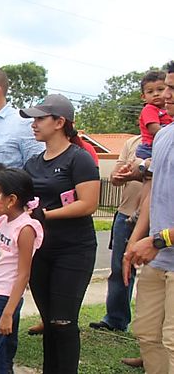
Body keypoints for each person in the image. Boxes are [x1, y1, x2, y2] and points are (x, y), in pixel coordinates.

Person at [20, 94, 100, 374]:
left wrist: (46, 215)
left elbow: (88, 204)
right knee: (49, 319)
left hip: (74, 249)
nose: (34, 124)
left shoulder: (79, 159)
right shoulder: (32, 162)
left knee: (63, 321)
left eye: (40, 118)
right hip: (41, 250)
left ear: (59, 122)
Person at [123, 60, 174, 373]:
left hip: (160, 247)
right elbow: (153, 191)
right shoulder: (164, 135)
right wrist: (134, 242)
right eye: (167, 86)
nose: (166, 95)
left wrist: (157, 240)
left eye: (173, 89)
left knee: (172, 341)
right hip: (156, 259)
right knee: (147, 334)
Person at [0, 169, 44, 374]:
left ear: (11, 199)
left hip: (6, 299)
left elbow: (23, 274)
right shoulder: (2, 222)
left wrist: (8, 312)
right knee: (0, 355)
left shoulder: (25, 229)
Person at [89, 135, 142, 333]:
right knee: (120, 268)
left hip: (160, 219)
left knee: (160, 274)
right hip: (125, 214)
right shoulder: (133, 143)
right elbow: (115, 178)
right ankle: (116, 319)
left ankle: (153, 330)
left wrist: (139, 172)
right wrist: (121, 175)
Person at [135, 69, 170, 160]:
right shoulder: (149, 109)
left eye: (160, 90)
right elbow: (154, 129)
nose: (156, 94)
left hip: (162, 145)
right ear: (143, 97)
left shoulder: (168, 109)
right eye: (150, 92)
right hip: (150, 148)